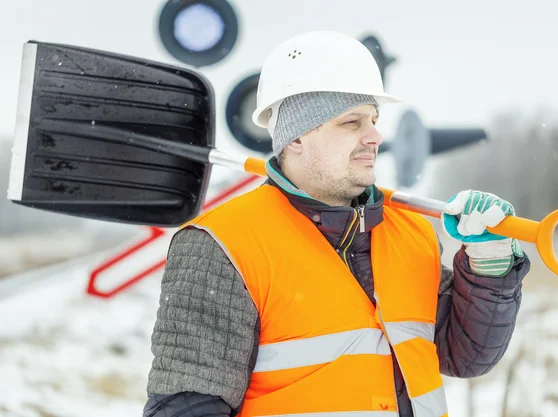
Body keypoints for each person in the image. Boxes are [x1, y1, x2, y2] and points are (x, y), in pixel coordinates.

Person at [142, 31, 530, 417]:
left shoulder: (411, 232)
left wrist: (489, 267)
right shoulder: (225, 243)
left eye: (374, 119)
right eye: (352, 122)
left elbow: (464, 355)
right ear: (296, 137)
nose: (375, 136)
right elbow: (188, 406)